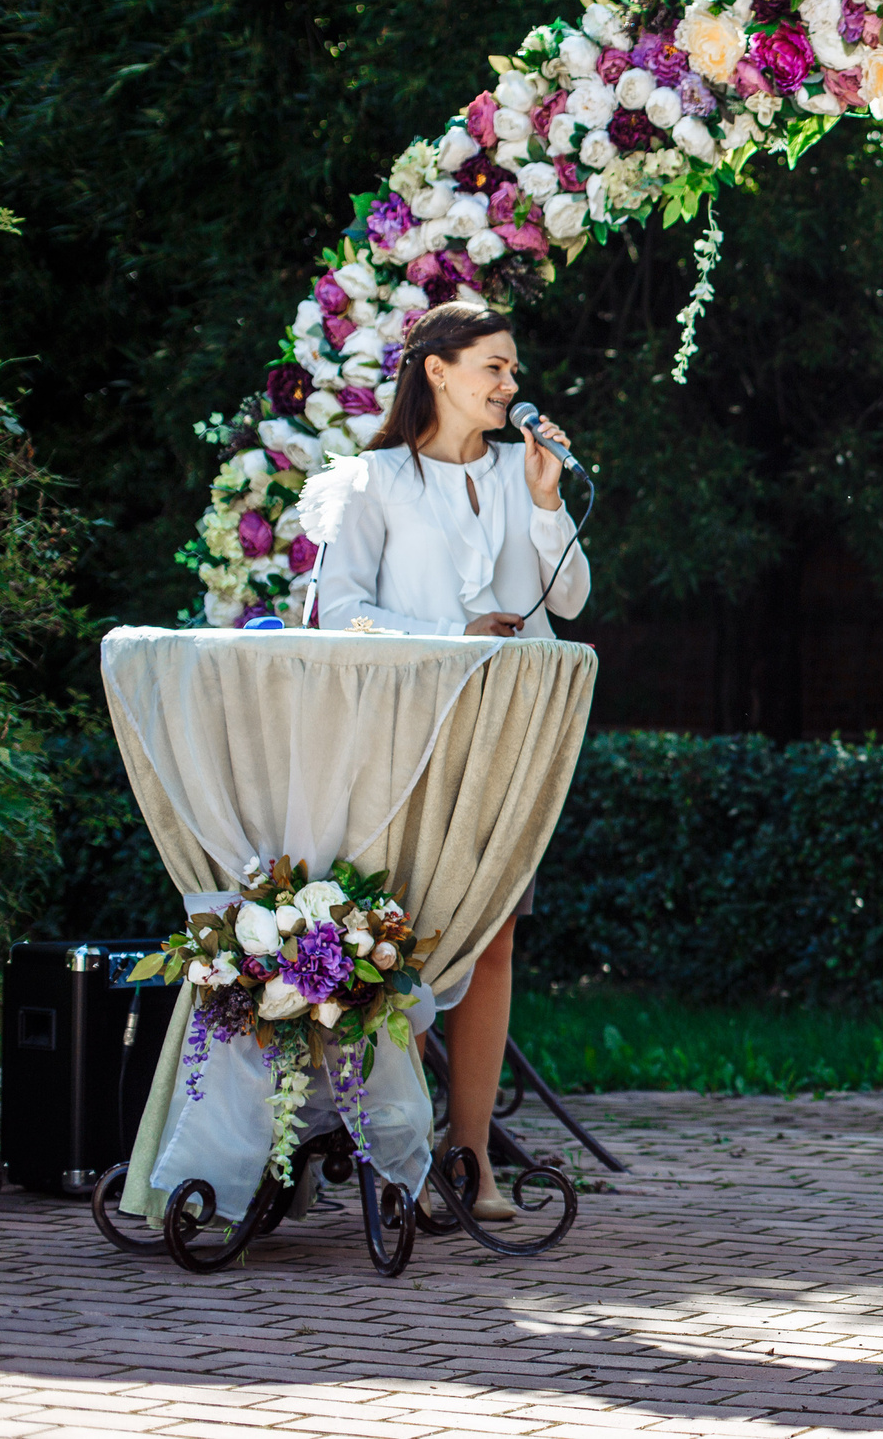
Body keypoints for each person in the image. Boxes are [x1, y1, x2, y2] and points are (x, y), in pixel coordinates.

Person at [304, 298, 589, 1221]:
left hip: (506, 728)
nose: (512, 384)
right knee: (399, 933)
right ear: (438, 369)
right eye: (495, 368)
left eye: (512, 370)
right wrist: (449, 634)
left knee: (495, 935)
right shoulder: (373, 480)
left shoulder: (523, 470)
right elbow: (339, 608)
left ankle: (471, 1160)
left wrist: (546, 503)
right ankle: (380, 1142)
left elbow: (572, 600)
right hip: (398, 733)